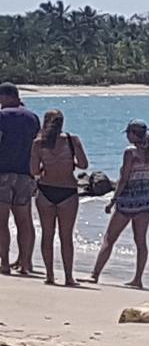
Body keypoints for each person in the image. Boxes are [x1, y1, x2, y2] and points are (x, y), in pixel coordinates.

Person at [90, 119, 149, 288]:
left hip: (127, 200)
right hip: (145, 201)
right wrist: (145, 178)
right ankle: (138, 279)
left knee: (110, 239)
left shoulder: (130, 152)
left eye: (128, 133)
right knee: (141, 242)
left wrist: (112, 200)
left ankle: (95, 275)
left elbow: (123, 179)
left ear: (132, 134)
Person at [30, 109, 88, 286]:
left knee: (47, 235)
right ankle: (69, 276)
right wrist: (71, 163)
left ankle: (49, 275)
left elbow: (34, 171)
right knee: (66, 236)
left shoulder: (38, 143)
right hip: (67, 191)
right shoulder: (72, 140)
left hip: (46, 190)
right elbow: (84, 164)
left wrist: (46, 168)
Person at [0, 82, 40, 276]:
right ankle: (25, 263)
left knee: (2, 221)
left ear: (8, 97)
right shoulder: (33, 118)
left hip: (3, 173)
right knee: (24, 221)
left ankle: (5, 263)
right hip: (26, 174)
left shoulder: (2, 116)